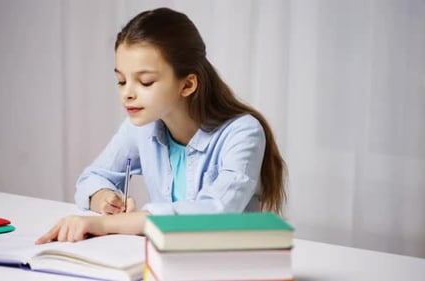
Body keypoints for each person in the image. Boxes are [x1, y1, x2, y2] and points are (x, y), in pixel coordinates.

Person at [36, 7, 286, 244]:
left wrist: (109, 224)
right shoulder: (140, 127)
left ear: (187, 85)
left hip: (227, 266)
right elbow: (91, 178)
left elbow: (215, 213)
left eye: (145, 82)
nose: (128, 94)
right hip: (164, 264)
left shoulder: (243, 132)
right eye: (121, 81)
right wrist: (103, 199)